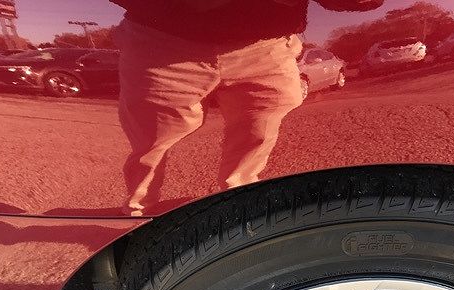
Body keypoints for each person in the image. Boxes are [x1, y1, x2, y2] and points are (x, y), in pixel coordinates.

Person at [111, 0, 384, 216]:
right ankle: (139, 212)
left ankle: (238, 200)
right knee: (152, 138)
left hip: (266, 43)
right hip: (161, 40)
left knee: (259, 128)